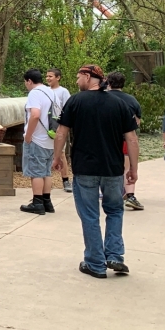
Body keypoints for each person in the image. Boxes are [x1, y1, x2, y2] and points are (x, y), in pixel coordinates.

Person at [53, 64, 139, 279]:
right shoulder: (119, 104)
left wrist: (57, 158)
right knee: (115, 211)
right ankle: (115, 256)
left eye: (78, 76)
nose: (75, 81)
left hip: (85, 168)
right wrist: (133, 170)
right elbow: (132, 139)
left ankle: (95, 262)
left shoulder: (75, 101)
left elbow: (61, 133)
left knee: (90, 215)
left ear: (87, 76)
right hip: (112, 169)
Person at [20, 69, 57, 215]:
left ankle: (37, 202)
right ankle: (47, 201)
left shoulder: (34, 93)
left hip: (37, 138)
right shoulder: (51, 91)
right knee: (46, 172)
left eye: (25, 82)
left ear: (29, 81)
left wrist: (28, 136)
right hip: (50, 138)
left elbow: (35, 115)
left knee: (36, 172)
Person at [106, 71, 144, 210]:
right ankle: (130, 195)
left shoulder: (104, 98)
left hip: (107, 140)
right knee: (127, 168)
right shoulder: (132, 100)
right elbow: (137, 122)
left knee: (110, 167)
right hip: (126, 139)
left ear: (108, 83)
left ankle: (111, 193)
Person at [45, 68, 72, 193]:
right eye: (47, 76)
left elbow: (68, 109)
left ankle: (66, 180)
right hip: (46, 126)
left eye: (51, 76)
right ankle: (45, 180)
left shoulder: (63, 91)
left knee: (60, 153)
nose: (48, 78)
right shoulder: (45, 91)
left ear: (58, 77)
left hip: (58, 126)